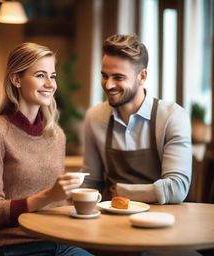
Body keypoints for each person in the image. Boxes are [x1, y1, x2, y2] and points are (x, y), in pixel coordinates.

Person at [0, 42, 93, 256]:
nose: (50, 84)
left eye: (53, 76)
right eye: (41, 75)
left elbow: (59, 202)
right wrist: (48, 196)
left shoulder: (56, 134)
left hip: (63, 242)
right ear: (16, 79)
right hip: (19, 246)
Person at [82, 34, 192, 204]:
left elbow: (177, 188)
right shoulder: (94, 117)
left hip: (162, 221)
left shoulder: (172, 116)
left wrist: (123, 191)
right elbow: (91, 182)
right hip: (111, 218)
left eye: (118, 77)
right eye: (105, 76)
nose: (108, 85)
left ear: (142, 76)